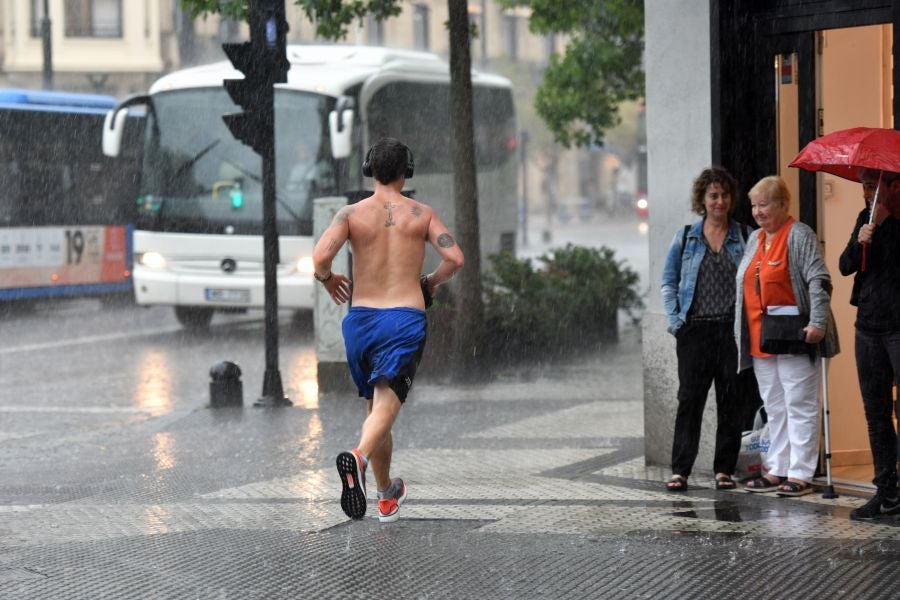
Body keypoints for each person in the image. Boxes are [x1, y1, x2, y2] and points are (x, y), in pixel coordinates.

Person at [312, 137, 464, 522]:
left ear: (369, 170)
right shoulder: (421, 214)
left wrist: (328, 279)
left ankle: (385, 495)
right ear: (406, 171)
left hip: (360, 323)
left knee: (376, 406)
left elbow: (321, 257)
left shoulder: (350, 214)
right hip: (402, 321)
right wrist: (429, 283)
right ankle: (359, 458)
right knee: (387, 404)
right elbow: (455, 258)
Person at [735, 175, 839, 497]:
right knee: (775, 406)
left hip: (796, 335)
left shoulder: (799, 234)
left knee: (800, 404)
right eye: (754, 205)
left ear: (783, 204)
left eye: (764, 204)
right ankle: (777, 468)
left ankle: (800, 473)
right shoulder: (755, 238)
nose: (757, 212)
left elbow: (819, 279)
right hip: (761, 337)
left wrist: (818, 323)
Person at [661, 166, 754, 492]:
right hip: (695, 332)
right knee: (690, 401)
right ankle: (680, 471)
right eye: (713, 195)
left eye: (724, 195)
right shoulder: (686, 236)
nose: (720, 201)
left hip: (731, 332)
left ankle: (724, 470)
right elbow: (668, 281)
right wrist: (677, 323)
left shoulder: (745, 236)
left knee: (731, 403)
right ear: (702, 198)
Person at [838, 168, 900, 520]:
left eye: (873, 186)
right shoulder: (865, 218)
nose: (867, 193)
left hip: (897, 327)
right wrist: (860, 240)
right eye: (864, 186)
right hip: (868, 326)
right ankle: (886, 493)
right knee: (876, 414)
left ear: (893, 186)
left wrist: (889, 227)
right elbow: (845, 266)